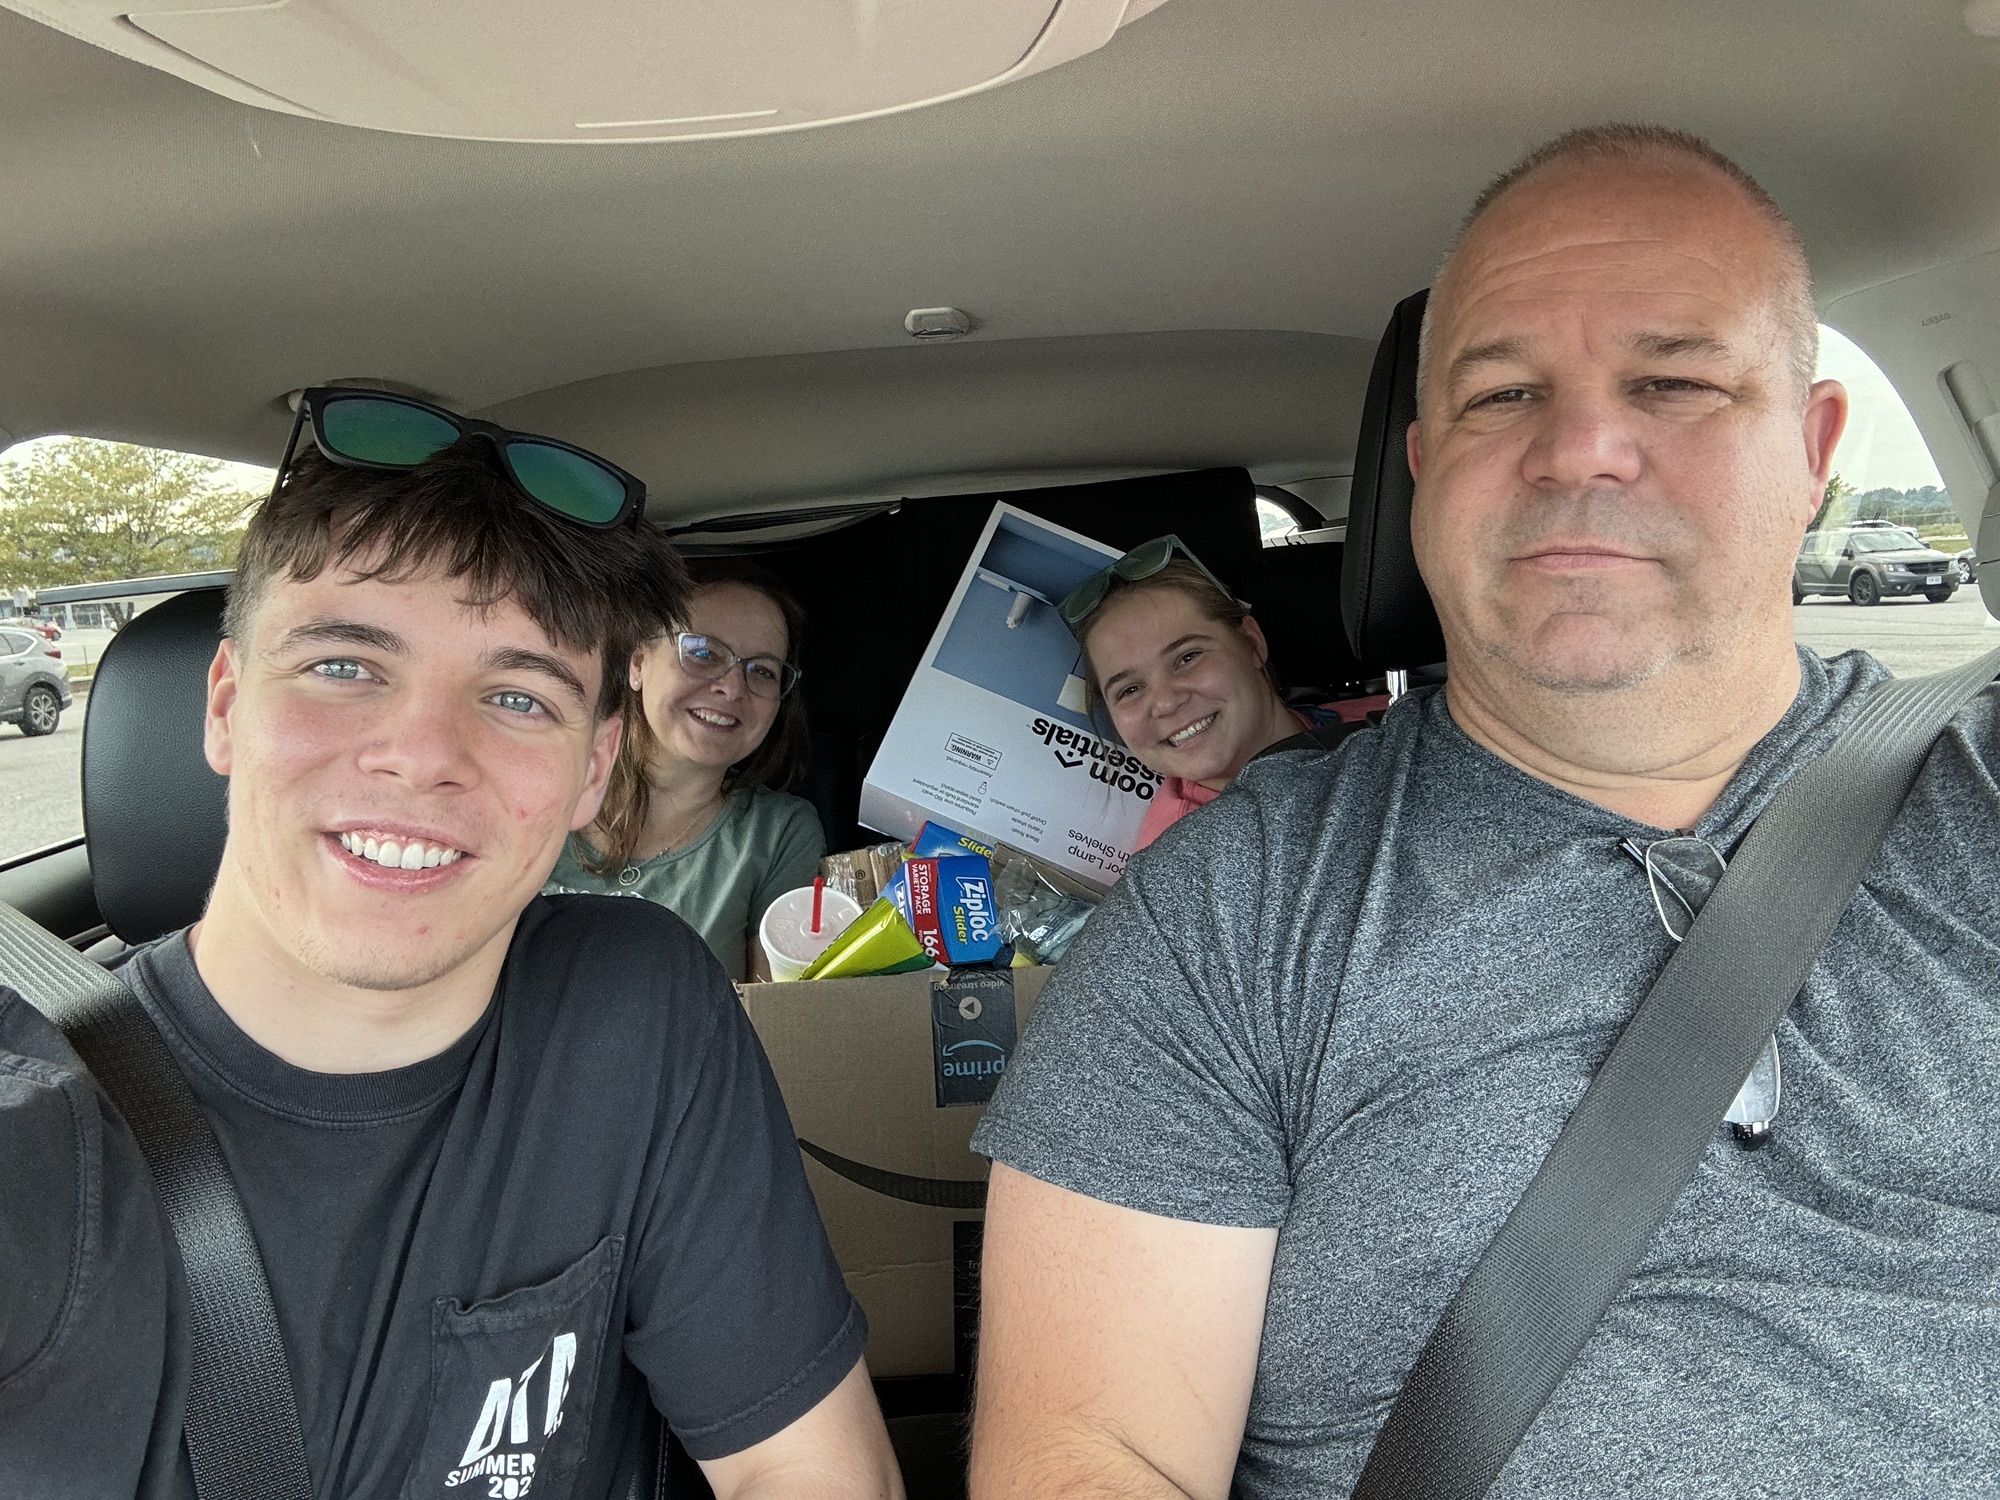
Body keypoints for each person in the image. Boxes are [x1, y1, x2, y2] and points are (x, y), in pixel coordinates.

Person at [967, 125, 2000, 1498]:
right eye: (1502, 395)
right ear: (1421, 468)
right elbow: (1089, 1455)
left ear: (1813, 452)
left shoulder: (1975, 792)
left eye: (1674, 381)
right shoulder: (1222, 913)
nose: (1580, 448)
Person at [0, 394, 901, 1499]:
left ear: (590, 766)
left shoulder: (638, 1003)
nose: (423, 753)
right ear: (227, 705)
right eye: (344, 666)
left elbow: (802, 1467)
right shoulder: (36, 1140)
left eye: (517, 696)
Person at [546, 557, 825, 981]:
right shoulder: (541, 787)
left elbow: (773, 1014)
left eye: (762, 671)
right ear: (638, 661)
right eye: (703, 653)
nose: (732, 688)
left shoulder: (778, 834)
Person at [1059, 536, 1379, 851]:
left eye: (1188, 657)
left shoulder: (1387, 721)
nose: (1166, 702)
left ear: (1252, 643)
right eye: (1129, 689)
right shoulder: (1178, 864)